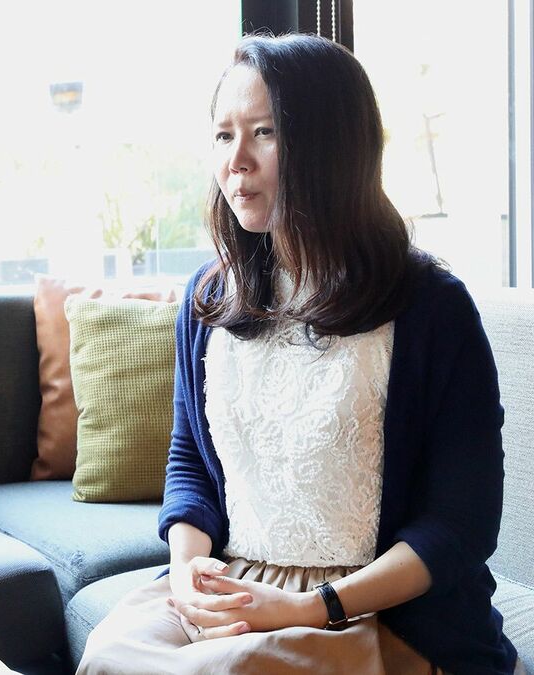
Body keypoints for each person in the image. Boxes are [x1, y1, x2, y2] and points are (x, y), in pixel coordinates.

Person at [76, 35, 519, 675]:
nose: (236, 161)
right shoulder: (209, 298)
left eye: (264, 132)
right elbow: (189, 459)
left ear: (332, 144)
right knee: (111, 654)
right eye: (223, 135)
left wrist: (309, 607)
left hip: (373, 611)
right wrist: (187, 572)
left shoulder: (430, 307)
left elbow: (461, 525)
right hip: (240, 585)